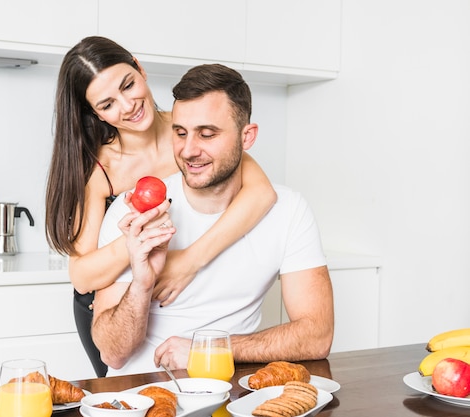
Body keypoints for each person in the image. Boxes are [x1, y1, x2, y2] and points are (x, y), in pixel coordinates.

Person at [44, 37, 277, 377]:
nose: (127, 106)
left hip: (182, 291)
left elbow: (261, 195)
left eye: (128, 85)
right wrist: (137, 243)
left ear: (140, 68)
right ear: (94, 112)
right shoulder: (100, 172)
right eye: (107, 104)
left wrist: (190, 262)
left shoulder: (189, 132)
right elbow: (82, 277)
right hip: (112, 308)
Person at [92, 63, 334, 376]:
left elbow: (317, 336)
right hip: (139, 394)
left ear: (247, 137)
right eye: (180, 133)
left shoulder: (289, 210)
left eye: (207, 134)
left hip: (231, 392)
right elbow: (113, 354)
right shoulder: (134, 213)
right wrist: (142, 283)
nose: (189, 150)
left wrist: (207, 351)